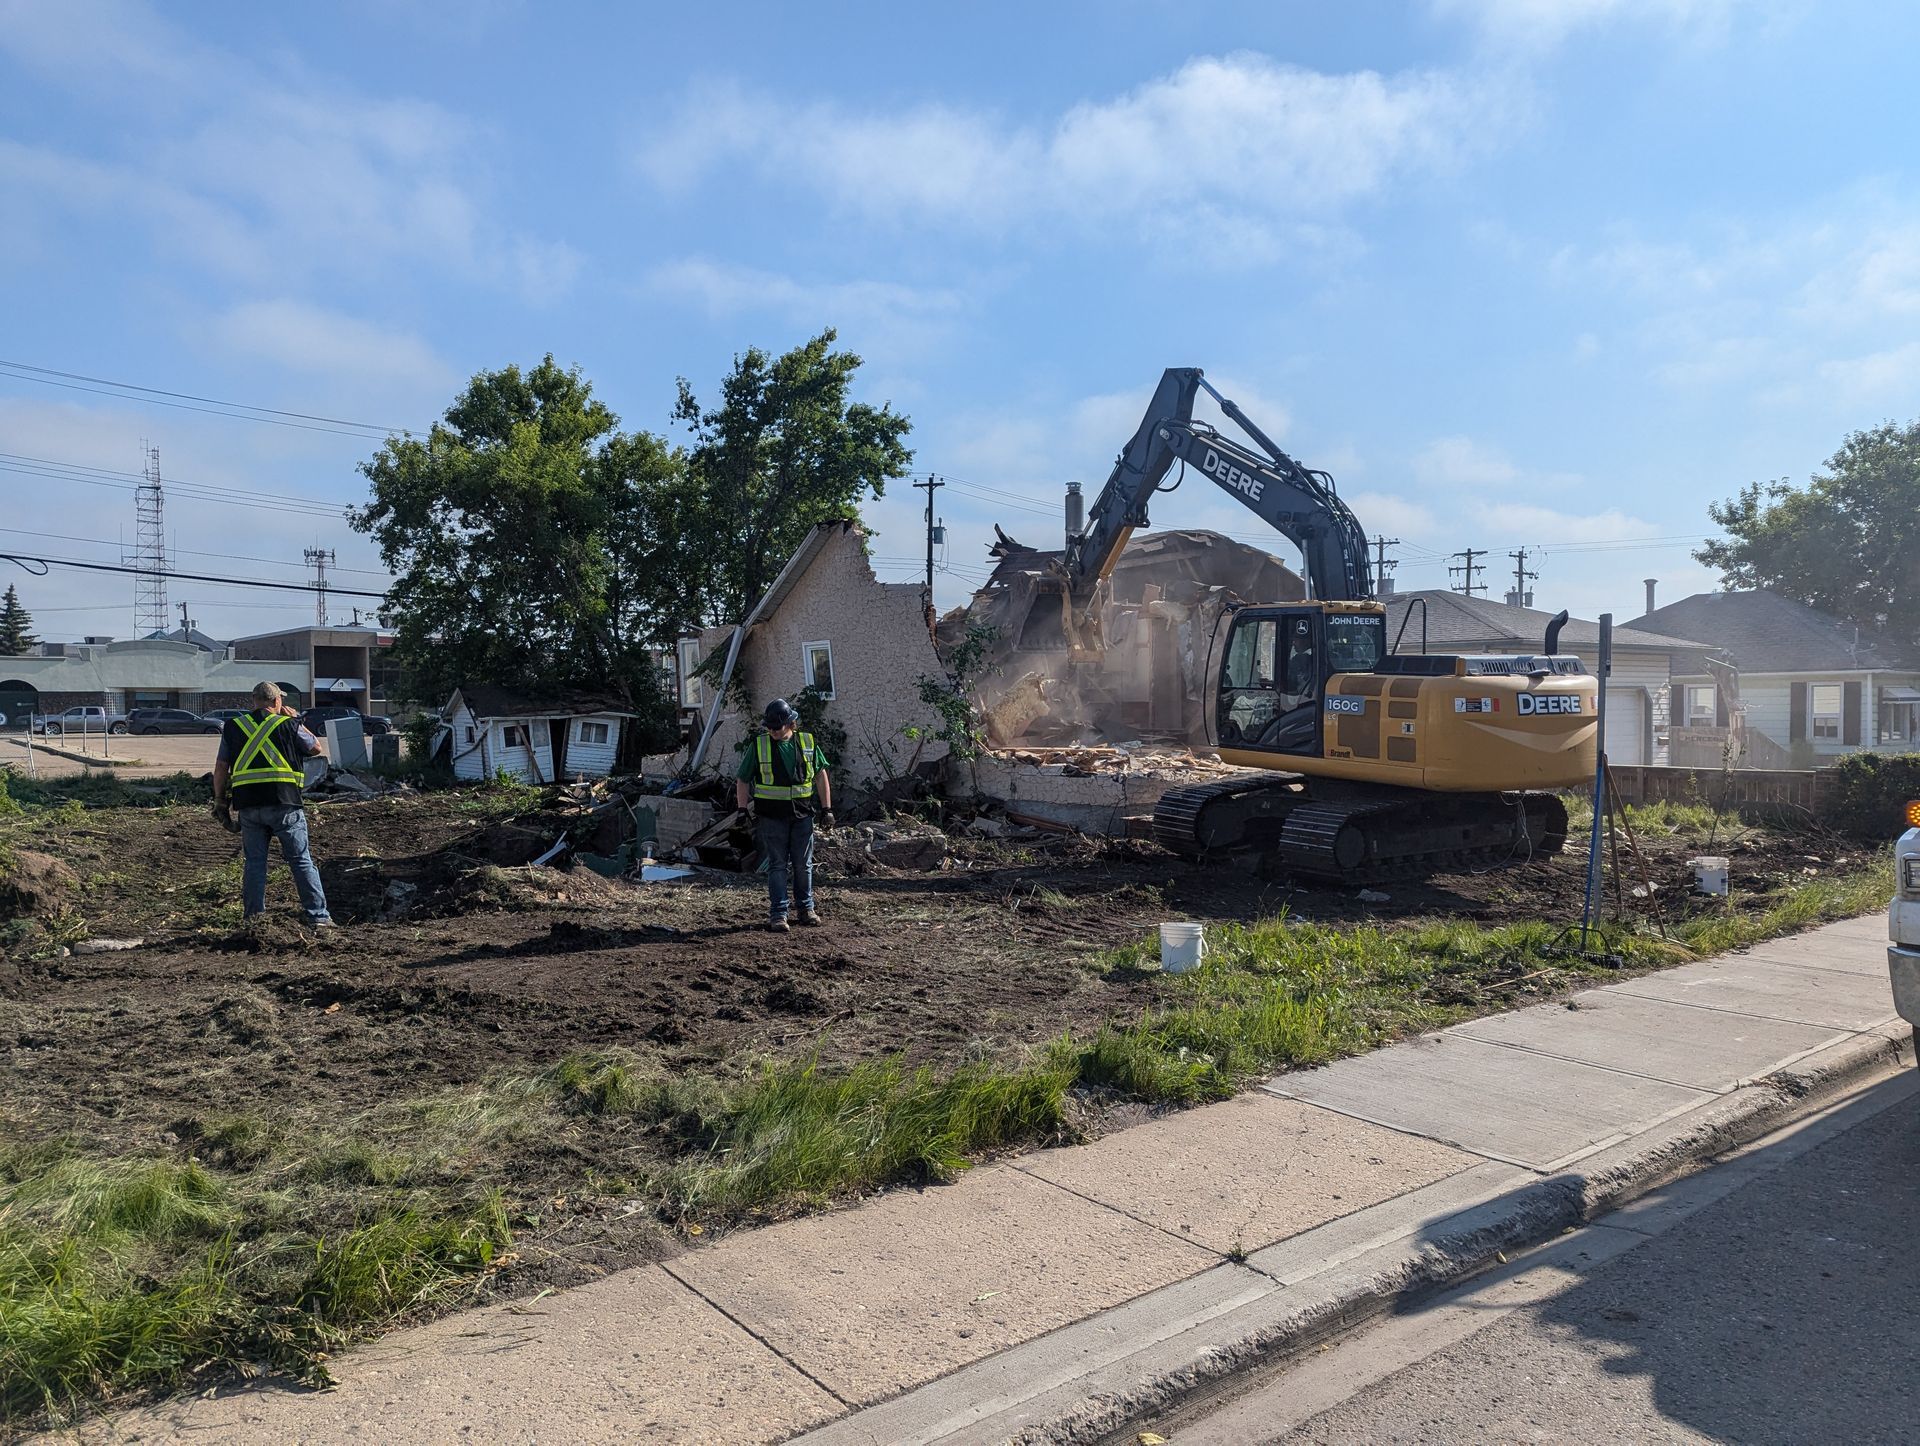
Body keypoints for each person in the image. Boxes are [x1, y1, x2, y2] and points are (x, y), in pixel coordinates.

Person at [211, 681, 334, 929]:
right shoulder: (289, 724)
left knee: (255, 862)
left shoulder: (234, 727)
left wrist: (220, 801)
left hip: (248, 806)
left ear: (254, 701)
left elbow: (221, 767)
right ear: (277, 701)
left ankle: (253, 920)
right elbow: (315, 748)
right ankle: (318, 917)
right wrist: (299, 721)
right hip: (284, 803)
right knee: (300, 860)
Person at [734, 698, 832, 933]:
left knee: (803, 864)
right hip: (771, 816)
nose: (772, 731)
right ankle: (778, 914)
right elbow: (743, 779)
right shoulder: (759, 746)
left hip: (802, 814)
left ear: (790, 724)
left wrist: (827, 809)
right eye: (768, 727)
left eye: (776, 727)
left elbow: (820, 775)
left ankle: (806, 909)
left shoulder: (807, 742)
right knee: (777, 865)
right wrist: (741, 809)